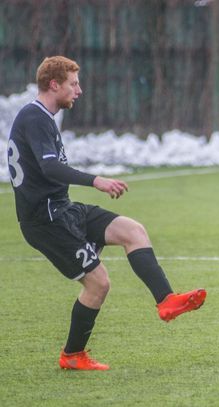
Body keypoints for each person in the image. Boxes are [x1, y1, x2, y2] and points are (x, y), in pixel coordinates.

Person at [7, 56, 207, 370]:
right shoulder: (35, 117)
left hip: (62, 208)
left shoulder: (43, 117)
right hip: (44, 220)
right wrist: (96, 180)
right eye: (73, 84)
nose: (79, 90)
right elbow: (50, 167)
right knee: (98, 284)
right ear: (54, 84)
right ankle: (72, 355)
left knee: (132, 231)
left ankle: (166, 300)